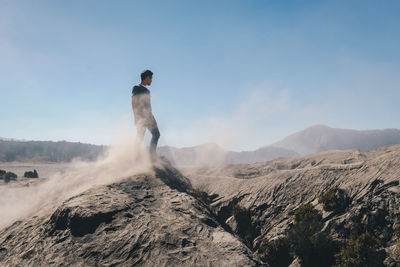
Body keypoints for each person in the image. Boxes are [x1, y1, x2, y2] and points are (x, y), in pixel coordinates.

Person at [131, 69, 160, 160]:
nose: (151, 80)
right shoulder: (136, 87)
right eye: (151, 78)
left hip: (149, 116)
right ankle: (136, 158)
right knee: (140, 136)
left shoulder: (147, 91)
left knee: (156, 134)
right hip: (141, 116)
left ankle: (152, 156)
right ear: (147, 78)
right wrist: (136, 117)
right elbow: (134, 102)